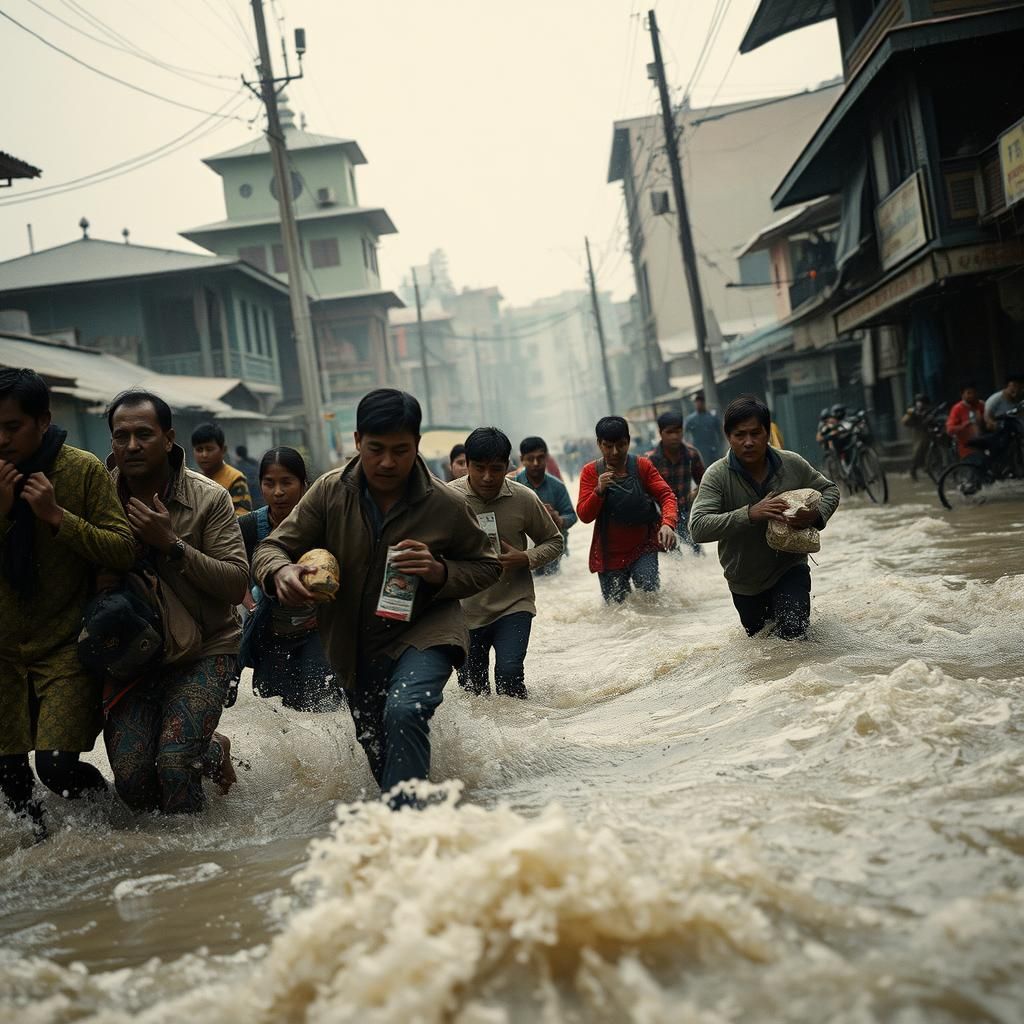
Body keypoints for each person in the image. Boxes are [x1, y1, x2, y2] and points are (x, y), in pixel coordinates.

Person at [251, 389, 501, 807]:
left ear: (417, 444)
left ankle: (408, 828)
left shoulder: (444, 503)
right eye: (376, 449)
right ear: (357, 441)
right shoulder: (330, 492)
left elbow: (488, 565)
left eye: (400, 450)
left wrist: (439, 571)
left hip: (426, 630)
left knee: (406, 709)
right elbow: (271, 547)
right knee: (380, 751)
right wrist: (281, 571)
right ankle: (409, 815)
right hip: (354, 644)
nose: (387, 462)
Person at [0, 369, 136, 835]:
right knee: (9, 777)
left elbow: (122, 549)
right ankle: (48, 857)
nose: (1, 439)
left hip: (65, 645)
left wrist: (57, 516)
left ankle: (115, 831)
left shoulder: (81, 470)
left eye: (11, 427)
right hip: (3, 652)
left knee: (56, 767)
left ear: (42, 421)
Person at [104, 391, 248, 814]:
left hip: (206, 647)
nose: (132, 446)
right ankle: (211, 747)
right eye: (121, 436)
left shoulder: (209, 498)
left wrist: (171, 544)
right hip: (133, 653)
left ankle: (198, 851)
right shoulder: (98, 496)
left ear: (168, 439)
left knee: (175, 764)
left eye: (144, 435)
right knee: (133, 781)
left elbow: (236, 582)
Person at [689, 394, 841, 641]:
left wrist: (816, 515)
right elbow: (698, 527)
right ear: (728, 436)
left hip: (790, 567)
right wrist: (750, 513)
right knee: (763, 646)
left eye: (755, 433)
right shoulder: (717, 476)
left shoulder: (791, 463)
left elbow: (830, 489)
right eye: (740, 435)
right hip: (745, 581)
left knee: (794, 637)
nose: (748, 442)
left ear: (767, 433)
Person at [450, 429, 562, 698]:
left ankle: (525, 724)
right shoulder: (448, 499)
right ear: (468, 465)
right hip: (465, 612)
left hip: (514, 604)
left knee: (510, 675)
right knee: (473, 692)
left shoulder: (524, 498)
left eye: (496, 469)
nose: (488, 477)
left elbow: (554, 541)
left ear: (508, 466)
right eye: (480, 468)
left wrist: (526, 558)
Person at [237, 447, 341, 712]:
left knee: (323, 707)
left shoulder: (325, 523)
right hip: (270, 632)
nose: (278, 492)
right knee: (274, 712)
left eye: (286, 482)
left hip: (318, 633)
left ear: (304, 484)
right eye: (269, 483)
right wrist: (250, 604)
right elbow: (234, 571)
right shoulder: (249, 526)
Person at [576, 415, 679, 604]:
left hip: (643, 547)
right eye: (608, 446)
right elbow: (584, 515)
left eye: (621, 445)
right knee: (616, 609)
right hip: (609, 556)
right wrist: (598, 491)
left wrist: (667, 524)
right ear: (599, 444)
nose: (615, 452)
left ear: (629, 441)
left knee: (651, 602)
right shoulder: (591, 472)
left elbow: (666, 495)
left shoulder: (642, 466)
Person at [514, 435, 576, 576]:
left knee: (553, 581)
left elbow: (571, 515)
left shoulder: (557, 486)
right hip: (524, 551)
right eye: (530, 459)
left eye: (540, 458)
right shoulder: (514, 485)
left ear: (547, 458)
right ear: (522, 459)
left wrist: (558, 519)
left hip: (553, 548)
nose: (536, 463)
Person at [647, 412, 706, 555]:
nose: (674, 436)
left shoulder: (691, 454)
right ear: (661, 433)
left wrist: (696, 494)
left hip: (687, 512)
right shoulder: (651, 461)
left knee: (697, 551)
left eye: (678, 431)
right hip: (663, 517)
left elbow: (705, 482)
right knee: (673, 555)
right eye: (669, 432)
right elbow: (646, 494)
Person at [191, 422, 253, 516]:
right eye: (199, 450)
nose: (204, 455)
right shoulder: (193, 479)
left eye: (209, 449)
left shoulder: (235, 478)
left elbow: (242, 516)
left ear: (223, 450)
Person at [945, 383, 987, 460]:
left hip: (983, 445)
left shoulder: (981, 405)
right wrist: (963, 426)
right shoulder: (957, 409)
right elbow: (949, 429)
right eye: (969, 393)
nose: (972, 396)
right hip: (967, 449)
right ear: (962, 395)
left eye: (974, 393)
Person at [684, 391, 723, 463]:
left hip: (712, 451)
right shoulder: (690, 419)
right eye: (697, 402)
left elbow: (720, 435)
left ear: (704, 402)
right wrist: (689, 448)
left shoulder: (712, 417)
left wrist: (720, 449)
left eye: (701, 401)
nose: (699, 404)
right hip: (698, 451)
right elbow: (685, 435)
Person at [901, 394, 931, 481]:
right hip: (919, 432)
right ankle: (913, 470)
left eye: (921, 402)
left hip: (929, 432)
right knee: (918, 451)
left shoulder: (928, 410)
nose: (920, 404)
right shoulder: (912, 411)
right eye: (918, 402)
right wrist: (911, 414)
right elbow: (904, 421)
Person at [234, 444, 265, 510]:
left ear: (237, 455)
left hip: (250, 502)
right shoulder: (255, 464)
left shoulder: (237, 469)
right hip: (262, 499)